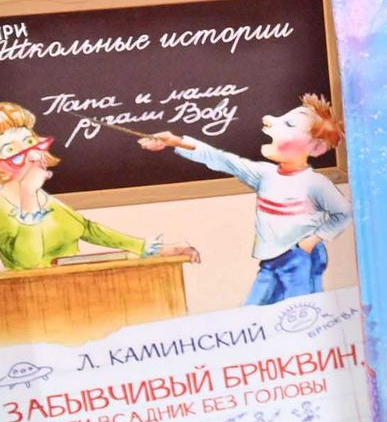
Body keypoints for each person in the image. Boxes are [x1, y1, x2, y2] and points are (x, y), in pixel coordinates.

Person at [139, 95, 349, 305]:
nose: (268, 119)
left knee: (300, 311)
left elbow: (345, 212)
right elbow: (222, 159)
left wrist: (311, 241)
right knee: (251, 313)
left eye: (289, 124)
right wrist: (176, 142)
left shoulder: (315, 183)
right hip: (270, 260)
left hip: (298, 258)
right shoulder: (264, 174)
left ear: (316, 147)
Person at [0, 100, 170, 271]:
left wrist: (144, 247)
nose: (31, 155)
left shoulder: (47, 200)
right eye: (11, 150)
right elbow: (27, 262)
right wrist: (27, 194)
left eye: (30, 143)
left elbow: (88, 229)